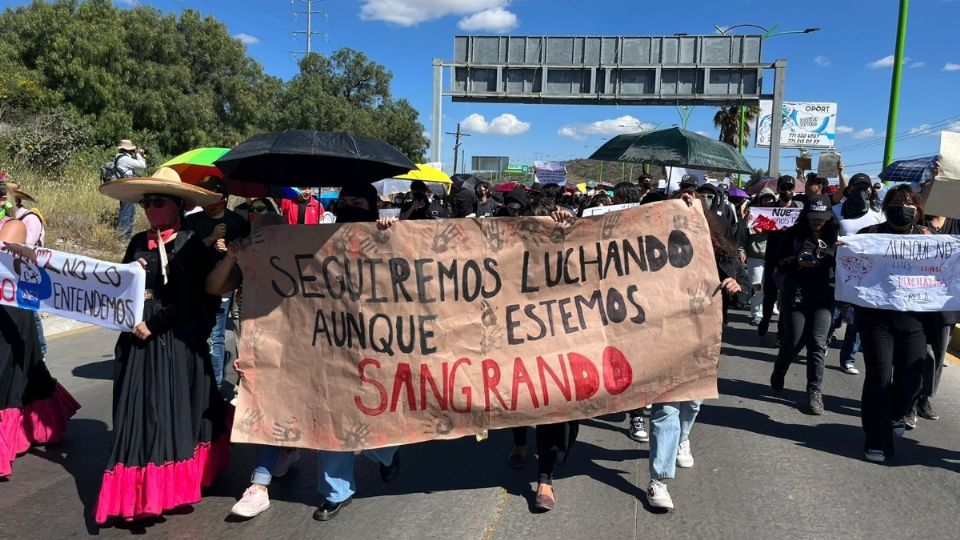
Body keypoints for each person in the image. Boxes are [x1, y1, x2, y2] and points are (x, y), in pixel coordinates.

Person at [95, 168, 230, 523]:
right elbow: (119, 285)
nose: (150, 207)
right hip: (134, 336)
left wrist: (154, 324)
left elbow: (190, 298)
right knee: (134, 410)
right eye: (146, 202)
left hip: (170, 339)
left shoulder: (190, 246)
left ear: (178, 206)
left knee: (164, 409)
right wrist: (132, 271)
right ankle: (136, 488)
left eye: (158, 201)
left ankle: (167, 485)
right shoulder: (139, 240)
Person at [203, 211, 303, 519]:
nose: (265, 242)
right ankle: (259, 485)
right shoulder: (248, 264)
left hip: (304, 351)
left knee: (294, 408)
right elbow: (214, 287)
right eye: (258, 236)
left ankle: (289, 449)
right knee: (264, 407)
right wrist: (233, 258)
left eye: (272, 234)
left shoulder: (306, 261)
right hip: (262, 352)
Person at [646, 189, 741, 511]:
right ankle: (658, 479)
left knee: (694, 401)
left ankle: (683, 438)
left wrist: (731, 283)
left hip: (704, 333)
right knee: (666, 408)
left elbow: (732, 273)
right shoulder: (649, 243)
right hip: (664, 334)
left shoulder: (717, 247)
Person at [312, 182, 401, 522]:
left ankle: (387, 453)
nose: (350, 206)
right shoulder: (319, 237)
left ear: (371, 206)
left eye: (358, 201)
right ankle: (336, 490)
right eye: (345, 201)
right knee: (334, 412)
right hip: (332, 339)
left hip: (378, 341)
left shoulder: (386, 233)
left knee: (378, 408)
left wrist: (390, 235)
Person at [0, 184, 81, 478]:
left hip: (10, 311)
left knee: (10, 370)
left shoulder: (16, 226)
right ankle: (37, 423)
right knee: (25, 367)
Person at [856, 185, 936, 463]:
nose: (903, 208)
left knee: (912, 381)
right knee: (879, 379)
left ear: (918, 209)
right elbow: (852, 268)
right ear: (886, 206)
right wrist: (844, 252)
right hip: (877, 320)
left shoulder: (929, 239)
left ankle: (896, 413)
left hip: (914, 321)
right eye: (896, 203)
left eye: (909, 203)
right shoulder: (868, 236)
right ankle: (876, 440)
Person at [768, 195, 839, 415]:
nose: (818, 221)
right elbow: (779, 262)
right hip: (796, 293)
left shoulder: (836, 236)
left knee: (818, 344)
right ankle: (780, 368)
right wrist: (797, 262)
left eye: (822, 217)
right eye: (814, 217)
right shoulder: (792, 234)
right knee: (794, 340)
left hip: (824, 296)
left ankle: (814, 392)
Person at [186, 177, 250, 390]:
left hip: (225, 289)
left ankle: (214, 387)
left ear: (223, 198)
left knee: (214, 338)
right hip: (195, 287)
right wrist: (210, 239)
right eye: (203, 195)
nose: (206, 201)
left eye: (211, 196)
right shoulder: (192, 222)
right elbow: (187, 253)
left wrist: (230, 252)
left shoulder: (237, 222)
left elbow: (249, 255)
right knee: (195, 336)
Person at [913, 168, 957, 423]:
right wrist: (934, 180)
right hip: (917, 296)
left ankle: (924, 398)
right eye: (930, 188)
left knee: (938, 352)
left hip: (946, 301)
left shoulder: (955, 222)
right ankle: (908, 392)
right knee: (920, 351)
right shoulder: (917, 224)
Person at [831, 172, 884, 375]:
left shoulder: (878, 215)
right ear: (849, 189)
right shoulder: (836, 211)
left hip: (866, 275)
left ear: (870, 191)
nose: (862, 191)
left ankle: (848, 358)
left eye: (865, 187)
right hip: (840, 272)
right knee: (834, 314)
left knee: (856, 318)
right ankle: (825, 339)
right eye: (857, 187)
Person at [5, 182, 48, 357]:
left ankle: (40, 349)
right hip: (10, 274)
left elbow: (26, 245)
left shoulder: (29, 218)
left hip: (27, 272)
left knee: (30, 312)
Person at [757, 175, 803, 337]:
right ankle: (765, 319)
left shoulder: (799, 209)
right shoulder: (770, 209)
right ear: (778, 190)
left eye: (790, 188)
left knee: (786, 296)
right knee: (769, 294)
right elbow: (760, 229)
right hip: (772, 257)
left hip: (790, 260)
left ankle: (781, 331)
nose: (787, 191)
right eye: (784, 188)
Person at [745, 188, 777, 325]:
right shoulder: (753, 214)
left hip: (773, 255)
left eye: (770, 199)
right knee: (756, 284)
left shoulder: (778, 214)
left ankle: (771, 307)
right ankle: (756, 312)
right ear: (760, 200)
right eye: (765, 198)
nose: (768, 201)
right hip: (756, 255)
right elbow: (755, 233)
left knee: (772, 284)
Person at [113, 139, 147, 238]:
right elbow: (142, 165)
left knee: (129, 210)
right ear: (128, 150)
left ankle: (126, 234)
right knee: (127, 212)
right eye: (132, 150)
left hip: (125, 186)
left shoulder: (120, 157)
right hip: (126, 187)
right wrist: (139, 154)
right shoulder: (124, 159)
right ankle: (123, 236)